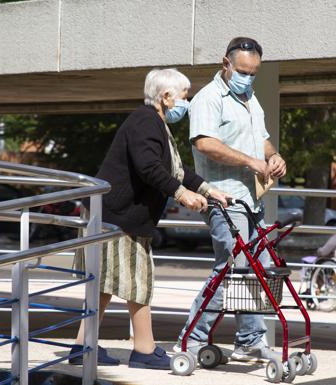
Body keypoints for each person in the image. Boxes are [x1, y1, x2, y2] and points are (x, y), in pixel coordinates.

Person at [69, 68, 228, 370]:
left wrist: (210, 190)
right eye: (184, 95)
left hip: (115, 215)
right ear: (166, 97)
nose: (186, 101)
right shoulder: (145, 121)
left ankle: (82, 346)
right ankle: (144, 350)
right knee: (138, 282)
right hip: (118, 217)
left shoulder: (155, 124)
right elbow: (149, 168)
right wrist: (183, 195)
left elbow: (177, 171)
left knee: (104, 284)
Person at [175, 37, 287, 362]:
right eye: (242, 71)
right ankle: (190, 340)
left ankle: (250, 339)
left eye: (253, 73)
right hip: (223, 199)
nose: (248, 78)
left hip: (251, 200)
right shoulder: (209, 98)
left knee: (257, 270)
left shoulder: (249, 96)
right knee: (229, 270)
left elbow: (261, 139)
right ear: (226, 63)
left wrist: (274, 155)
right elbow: (204, 143)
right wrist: (250, 161)